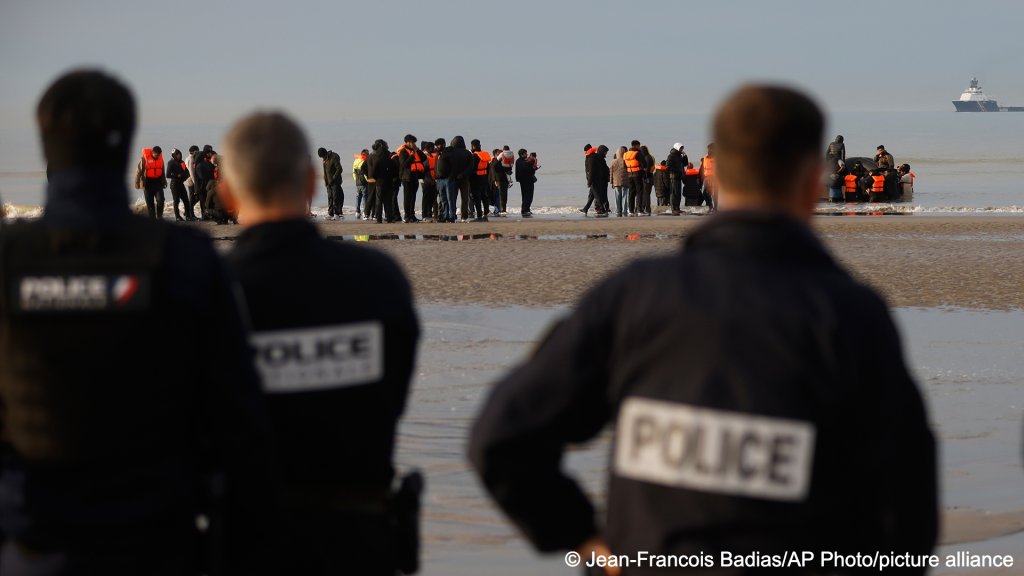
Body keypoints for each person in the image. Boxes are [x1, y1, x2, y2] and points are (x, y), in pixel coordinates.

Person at [469, 84, 937, 576]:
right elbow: (906, 511)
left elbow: (504, 438)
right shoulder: (850, 315)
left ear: (715, 180)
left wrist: (587, 543)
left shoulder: (635, 298)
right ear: (811, 182)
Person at [0, 69, 275, 576]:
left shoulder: (10, 258)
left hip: (32, 539)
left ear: (45, 144)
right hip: (157, 538)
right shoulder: (185, 258)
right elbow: (237, 416)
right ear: (127, 143)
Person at [218, 110, 422, 576]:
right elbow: (393, 391)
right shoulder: (378, 278)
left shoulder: (214, 290)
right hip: (361, 536)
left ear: (226, 192)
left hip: (249, 537)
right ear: (312, 180)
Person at [365, 139, 396, 224]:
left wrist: (376, 178)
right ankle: (389, 218)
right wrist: (390, 177)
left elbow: (374, 172)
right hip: (389, 182)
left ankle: (379, 219)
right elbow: (395, 172)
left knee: (379, 201)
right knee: (388, 201)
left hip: (379, 182)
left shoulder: (377, 160)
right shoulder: (390, 160)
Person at [397, 134, 426, 223]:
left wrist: (417, 150)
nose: (413, 144)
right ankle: (407, 216)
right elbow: (404, 164)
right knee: (407, 197)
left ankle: (412, 215)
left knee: (413, 197)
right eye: (411, 142)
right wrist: (411, 156)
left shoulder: (415, 151)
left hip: (415, 177)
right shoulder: (403, 152)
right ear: (407, 142)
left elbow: (424, 158)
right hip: (407, 178)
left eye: (414, 142)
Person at [133, 145, 167, 218]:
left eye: (159, 155)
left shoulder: (160, 159)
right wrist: (137, 184)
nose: (158, 156)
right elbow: (138, 172)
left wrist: (164, 182)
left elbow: (162, 171)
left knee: (161, 200)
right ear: (152, 153)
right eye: (156, 155)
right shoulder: (144, 159)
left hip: (158, 182)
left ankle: (160, 217)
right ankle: (153, 220)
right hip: (147, 183)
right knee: (150, 204)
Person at [448, 136, 475, 223]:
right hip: (464, 179)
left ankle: (453, 215)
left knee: (452, 198)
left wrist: (453, 175)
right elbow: (471, 167)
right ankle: (464, 217)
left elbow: (448, 165)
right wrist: (463, 174)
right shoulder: (468, 153)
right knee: (465, 199)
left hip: (453, 178)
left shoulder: (451, 153)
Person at [166, 148, 195, 221]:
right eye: (177, 155)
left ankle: (188, 216)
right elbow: (168, 175)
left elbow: (187, 171)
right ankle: (177, 217)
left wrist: (186, 175)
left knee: (186, 200)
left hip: (181, 184)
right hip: (174, 184)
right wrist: (177, 175)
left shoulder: (182, 162)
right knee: (176, 201)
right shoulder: (171, 163)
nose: (179, 156)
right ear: (174, 155)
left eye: (179, 154)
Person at [623, 140, 649, 217]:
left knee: (631, 193)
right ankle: (640, 210)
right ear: (637, 145)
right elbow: (644, 164)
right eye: (639, 145)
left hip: (629, 175)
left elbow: (624, 166)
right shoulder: (638, 153)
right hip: (638, 174)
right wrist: (643, 171)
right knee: (639, 192)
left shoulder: (626, 154)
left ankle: (630, 210)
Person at [318, 147, 344, 220]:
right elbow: (325, 171)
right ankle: (330, 214)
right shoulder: (324, 159)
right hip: (328, 182)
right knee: (330, 197)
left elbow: (339, 169)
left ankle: (336, 214)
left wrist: (333, 178)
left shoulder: (334, 157)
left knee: (336, 197)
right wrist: (326, 181)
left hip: (335, 181)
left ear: (326, 153)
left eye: (323, 156)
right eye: (321, 157)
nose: (323, 158)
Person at [588, 145, 610, 218]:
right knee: (598, 196)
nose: (606, 154)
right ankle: (602, 209)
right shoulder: (596, 158)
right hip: (597, 180)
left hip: (600, 180)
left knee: (598, 196)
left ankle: (602, 209)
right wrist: (590, 181)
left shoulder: (599, 158)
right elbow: (592, 170)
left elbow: (605, 169)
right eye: (605, 152)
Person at [666, 143, 687, 215]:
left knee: (678, 193)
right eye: (680, 148)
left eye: (682, 148)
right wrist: (676, 170)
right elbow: (667, 167)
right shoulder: (671, 156)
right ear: (677, 148)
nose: (682, 150)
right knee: (674, 193)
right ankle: (673, 209)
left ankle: (677, 208)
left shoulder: (679, 156)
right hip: (674, 176)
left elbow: (685, 164)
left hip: (679, 176)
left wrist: (685, 156)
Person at [514, 148, 536, 217]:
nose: (527, 155)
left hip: (524, 181)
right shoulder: (521, 162)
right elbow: (528, 170)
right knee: (528, 196)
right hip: (526, 181)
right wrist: (533, 166)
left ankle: (526, 209)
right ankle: (525, 210)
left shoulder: (520, 161)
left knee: (526, 196)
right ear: (522, 154)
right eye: (525, 153)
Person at [421, 141, 439, 222]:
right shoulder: (424, 156)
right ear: (430, 148)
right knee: (426, 198)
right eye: (433, 148)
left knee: (433, 198)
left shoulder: (433, 155)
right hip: (426, 180)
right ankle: (425, 215)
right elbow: (424, 169)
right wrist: (430, 180)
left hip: (433, 180)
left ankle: (429, 214)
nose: (434, 149)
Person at [610, 146, 629, 217]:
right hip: (625, 182)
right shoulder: (626, 161)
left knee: (617, 197)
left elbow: (611, 173)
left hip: (616, 182)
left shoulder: (613, 162)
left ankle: (618, 210)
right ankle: (624, 210)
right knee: (625, 196)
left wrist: (611, 182)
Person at [698, 142, 717, 211]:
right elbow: (701, 169)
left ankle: (715, 208)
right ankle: (710, 206)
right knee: (705, 194)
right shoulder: (705, 158)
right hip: (707, 178)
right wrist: (699, 179)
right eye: (708, 149)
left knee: (715, 194)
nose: (709, 150)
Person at [580, 144, 597, 216]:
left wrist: (589, 181)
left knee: (595, 195)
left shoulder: (591, 157)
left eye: (585, 151)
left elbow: (591, 171)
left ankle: (603, 208)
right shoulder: (590, 156)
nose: (584, 153)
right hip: (592, 180)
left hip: (593, 180)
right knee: (591, 195)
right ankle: (585, 209)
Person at [185, 144, 201, 217]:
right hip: (191, 181)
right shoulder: (191, 159)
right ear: (194, 151)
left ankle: (188, 211)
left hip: (191, 180)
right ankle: (190, 213)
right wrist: (195, 184)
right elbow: (191, 172)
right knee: (193, 197)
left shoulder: (189, 158)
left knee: (194, 197)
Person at [353, 149, 369, 219]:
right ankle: (365, 213)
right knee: (365, 197)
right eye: (367, 154)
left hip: (358, 182)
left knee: (358, 197)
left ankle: (357, 212)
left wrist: (356, 179)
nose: (368, 155)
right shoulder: (364, 161)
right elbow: (365, 173)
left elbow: (354, 172)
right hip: (364, 182)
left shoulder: (356, 161)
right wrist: (368, 180)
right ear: (364, 154)